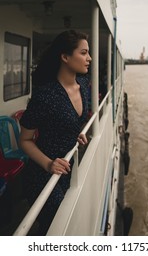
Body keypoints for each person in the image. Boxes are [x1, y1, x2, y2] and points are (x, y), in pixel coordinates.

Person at [19, 30, 92, 235]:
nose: (90, 58)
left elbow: (72, 120)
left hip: (68, 169)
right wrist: (49, 164)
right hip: (43, 174)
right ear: (65, 57)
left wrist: (76, 132)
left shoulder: (84, 85)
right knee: (56, 227)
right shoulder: (45, 95)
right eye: (84, 53)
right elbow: (24, 140)